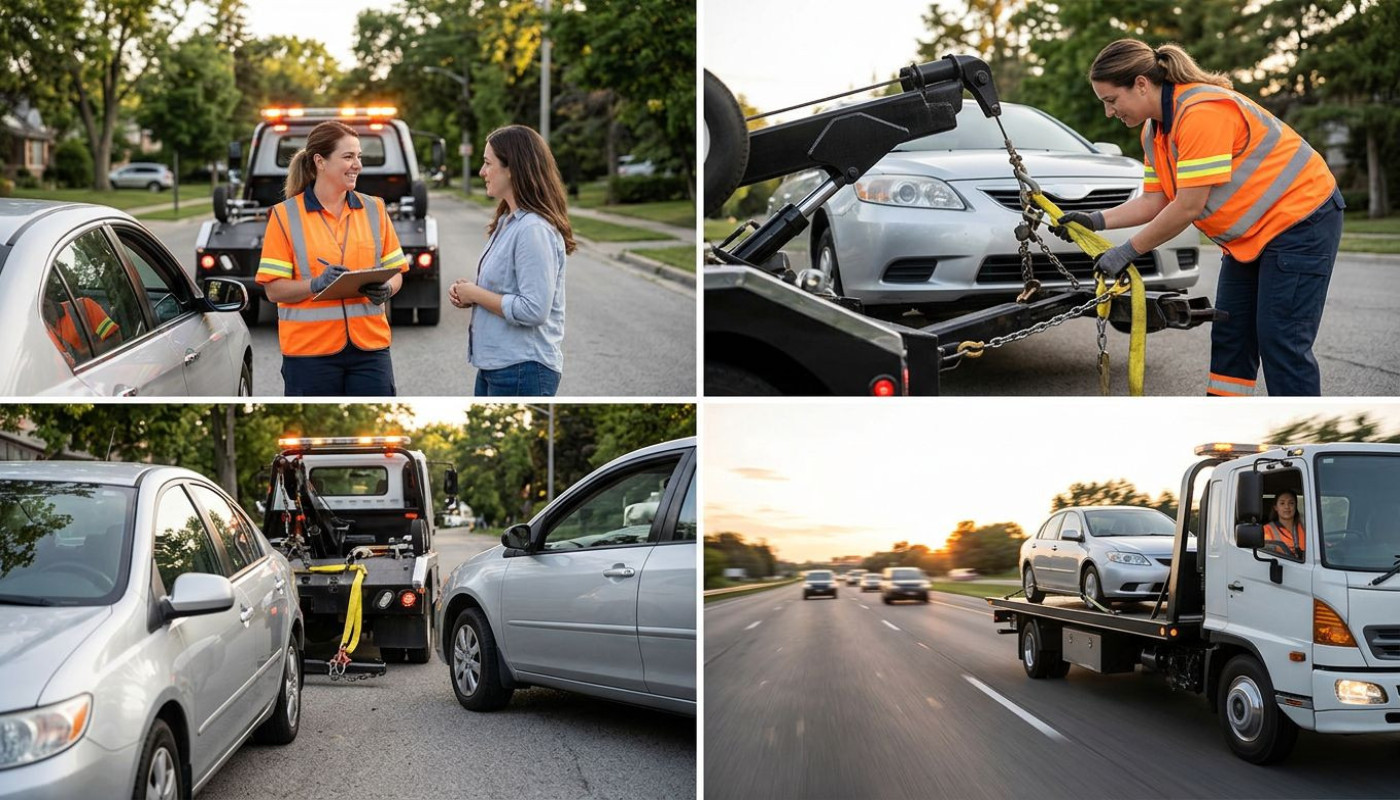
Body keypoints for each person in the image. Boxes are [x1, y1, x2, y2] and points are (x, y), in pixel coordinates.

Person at [1053, 39, 1344, 397]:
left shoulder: (1202, 112)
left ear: (1141, 84)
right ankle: (1224, 427)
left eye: (1111, 101)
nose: (1109, 113)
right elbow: (1155, 201)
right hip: (1250, 240)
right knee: (1231, 334)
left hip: (1302, 222)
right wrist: (1095, 220)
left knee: (1281, 339)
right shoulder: (1154, 131)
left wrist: (1127, 251)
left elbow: (1188, 206)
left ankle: (1301, 440)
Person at [256, 120, 409, 396]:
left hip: (370, 350)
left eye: (359, 157)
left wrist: (388, 288)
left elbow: (396, 270)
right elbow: (272, 289)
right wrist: (314, 284)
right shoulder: (284, 216)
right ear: (320, 162)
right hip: (309, 354)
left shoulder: (375, 209)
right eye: (348, 156)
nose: (358, 165)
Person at [449, 124, 576, 396]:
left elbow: (534, 309)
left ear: (512, 168)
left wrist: (476, 293)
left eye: (487, 163)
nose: (482, 172)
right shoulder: (509, 221)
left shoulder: (533, 229)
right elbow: (508, 292)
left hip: (523, 368)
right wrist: (471, 294)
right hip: (498, 366)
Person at [1263, 490, 1305, 556]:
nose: (1287, 507)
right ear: (1276, 507)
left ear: (1296, 506)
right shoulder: (1267, 530)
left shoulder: (1305, 527)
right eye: (1282, 503)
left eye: (1291, 503)